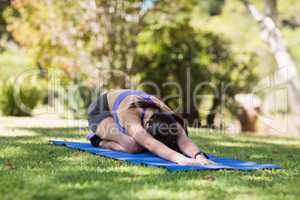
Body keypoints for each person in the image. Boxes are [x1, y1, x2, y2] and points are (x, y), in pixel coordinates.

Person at [86, 89, 215, 165]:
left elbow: (183, 138)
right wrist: (182, 159)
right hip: (100, 111)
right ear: (147, 125)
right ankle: (98, 140)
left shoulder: (167, 113)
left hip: (121, 105)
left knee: (139, 143)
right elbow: (150, 144)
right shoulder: (130, 114)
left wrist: (199, 156)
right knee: (132, 145)